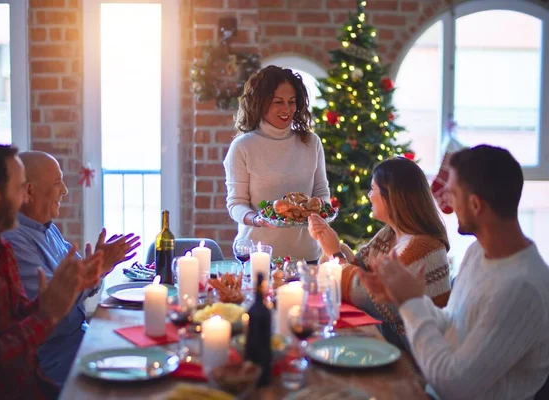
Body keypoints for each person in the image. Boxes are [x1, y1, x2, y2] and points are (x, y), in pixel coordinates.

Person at [359, 145, 549, 400]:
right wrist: (403, 297)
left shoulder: (521, 288)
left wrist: (412, 303)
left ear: (475, 204)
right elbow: (451, 326)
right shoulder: (478, 252)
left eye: (453, 193)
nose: (444, 200)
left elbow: (453, 385)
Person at [0, 142, 104, 399]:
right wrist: (49, 313)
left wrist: (56, 297)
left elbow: (19, 317)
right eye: (20, 188)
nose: (24, 198)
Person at [2, 151, 140, 388]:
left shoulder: (46, 228)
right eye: (57, 183)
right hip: (55, 359)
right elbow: (53, 313)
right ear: (30, 191)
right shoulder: (13, 241)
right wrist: (92, 273)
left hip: (81, 336)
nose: (65, 190)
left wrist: (97, 269)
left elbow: (81, 281)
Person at [309, 157, 451, 350]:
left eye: (373, 189)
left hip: (415, 355)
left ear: (391, 197)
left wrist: (335, 253)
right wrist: (329, 240)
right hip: (385, 341)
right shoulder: (390, 234)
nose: (369, 195)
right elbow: (361, 268)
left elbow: (371, 298)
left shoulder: (425, 249)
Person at [223, 65, 330, 261]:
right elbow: (236, 204)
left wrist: (321, 212)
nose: (287, 109)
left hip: (306, 256)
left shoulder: (311, 142)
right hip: (257, 256)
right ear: (260, 104)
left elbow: (321, 191)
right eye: (278, 102)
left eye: (292, 102)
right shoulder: (242, 147)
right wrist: (257, 220)